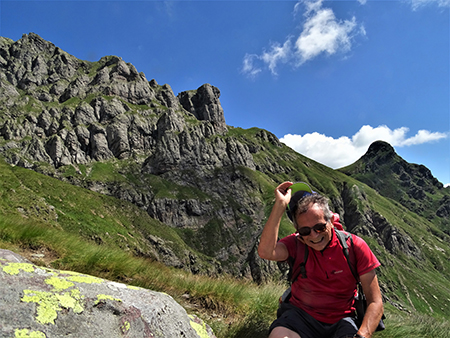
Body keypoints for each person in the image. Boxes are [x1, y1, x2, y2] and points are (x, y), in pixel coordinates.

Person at [258, 181, 384, 338]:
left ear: (331, 221)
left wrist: (361, 335)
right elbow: (266, 252)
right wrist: (279, 206)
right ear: (298, 231)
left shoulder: (355, 246)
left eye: (320, 227)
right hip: (300, 316)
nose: (314, 235)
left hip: (342, 321)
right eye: (305, 230)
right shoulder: (295, 244)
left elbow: (375, 301)